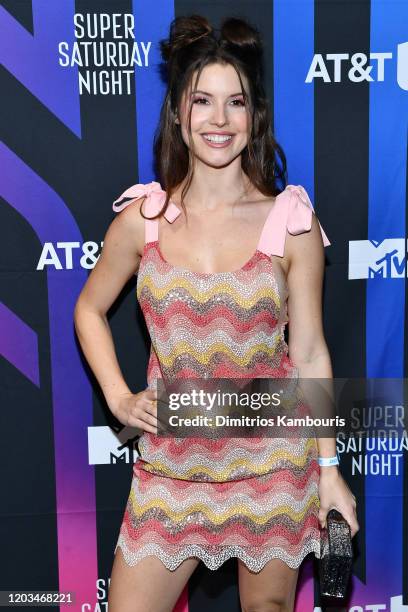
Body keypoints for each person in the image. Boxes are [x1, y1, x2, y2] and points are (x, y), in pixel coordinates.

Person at [74, 14, 359, 612]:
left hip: (274, 461)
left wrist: (329, 470)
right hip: (172, 466)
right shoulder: (141, 219)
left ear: (254, 116)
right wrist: (121, 398)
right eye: (203, 101)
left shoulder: (291, 223)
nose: (219, 120)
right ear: (179, 111)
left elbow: (308, 352)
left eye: (236, 103)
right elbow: (89, 308)